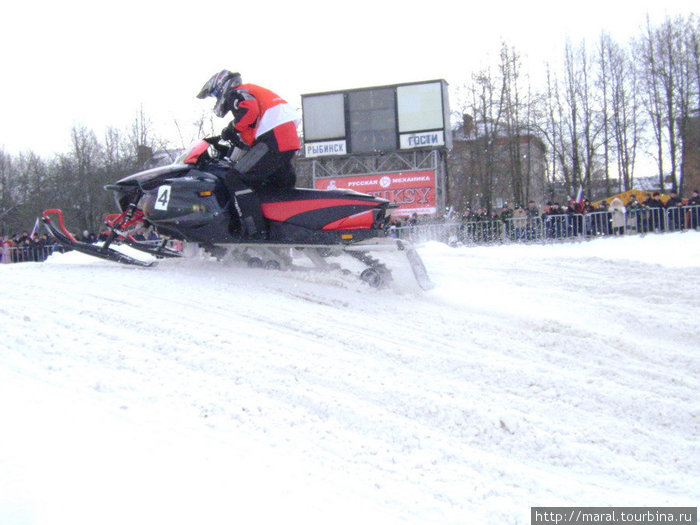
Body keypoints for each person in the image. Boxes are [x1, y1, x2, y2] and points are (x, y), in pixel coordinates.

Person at [197, 70, 301, 239]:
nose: (218, 99)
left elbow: (249, 111)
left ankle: (255, 231)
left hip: (272, 140)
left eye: (216, 95)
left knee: (235, 178)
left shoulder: (238, 92)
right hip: (286, 141)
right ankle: (282, 229)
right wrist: (238, 136)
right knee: (275, 186)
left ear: (222, 86)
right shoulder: (254, 91)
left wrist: (233, 129)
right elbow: (253, 124)